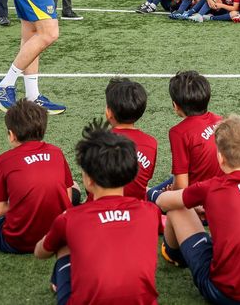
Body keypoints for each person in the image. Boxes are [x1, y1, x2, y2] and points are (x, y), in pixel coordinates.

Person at [155, 116, 240, 304]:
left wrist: (153, 194)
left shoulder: (211, 188)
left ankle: (174, 255)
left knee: (177, 208)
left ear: (220, 157)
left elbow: (164, 201)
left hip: (225, 293)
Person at [35, 122, 162, 305]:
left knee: (64, 244)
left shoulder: (70, 218)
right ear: (132, 173)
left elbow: (40, 252)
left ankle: (59, 281)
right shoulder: (150, 212)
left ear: (88, 180)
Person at [0, 99, 74, 254]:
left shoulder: (4, 160)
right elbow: (67, 197)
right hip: (58, 236)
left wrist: (22, 203)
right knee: (74, 185)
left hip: (17, 242)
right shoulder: (56, 152)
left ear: (11, 135)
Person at [147, 71, 223, 199]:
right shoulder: (221, 120)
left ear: (175, 105)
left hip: (198, 197)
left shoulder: (178, 133)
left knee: (149, 195)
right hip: (222, 189)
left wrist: (170, 192)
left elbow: (182, 187)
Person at [97, 78, 158, 201]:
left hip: (100, 211)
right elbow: (143, 181)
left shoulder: (97, 141)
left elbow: (90, 189)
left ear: (109, 112)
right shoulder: (151, 143)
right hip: (137, 211)